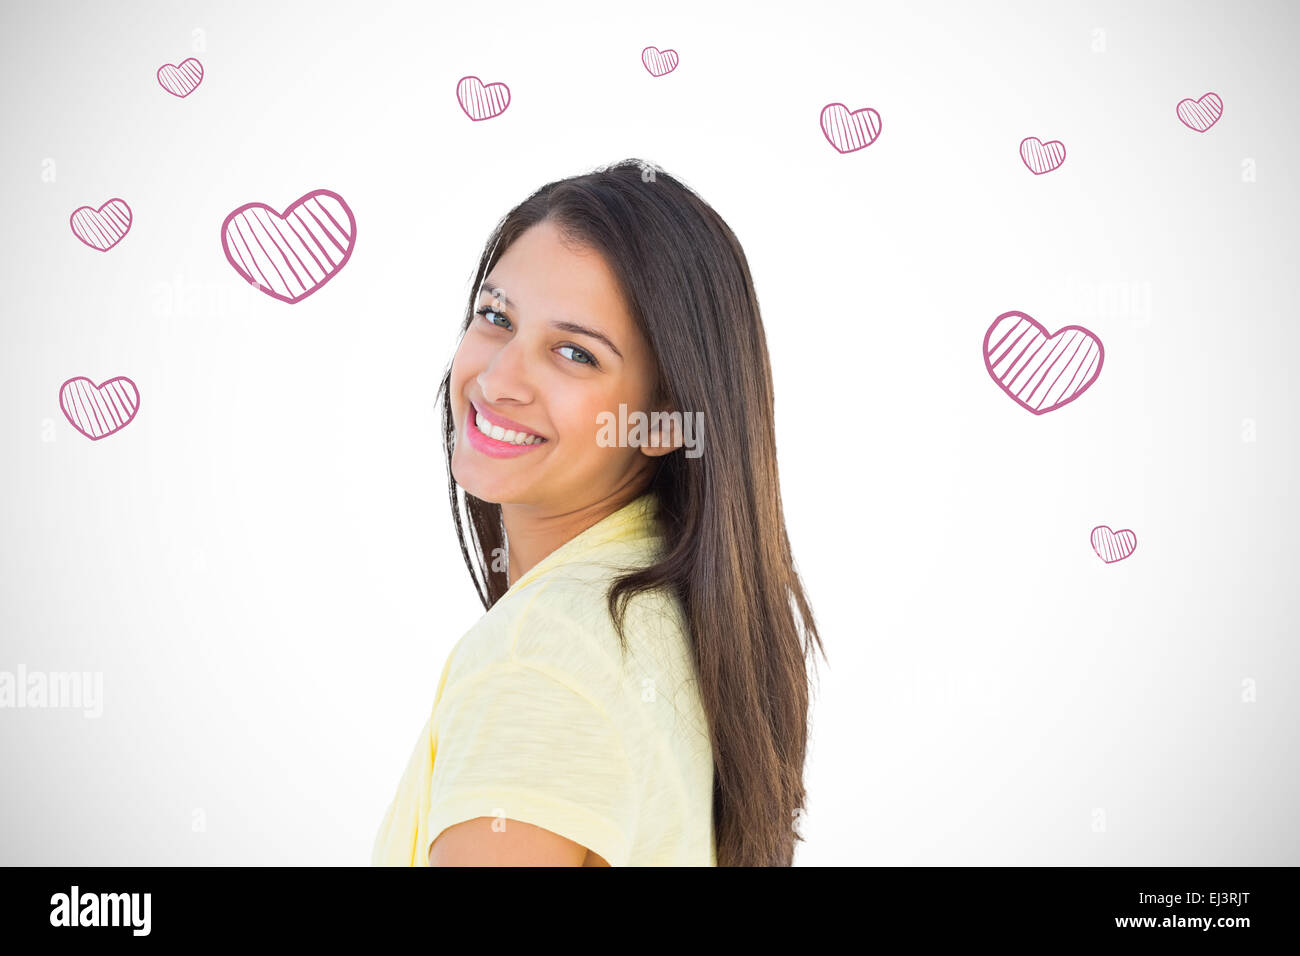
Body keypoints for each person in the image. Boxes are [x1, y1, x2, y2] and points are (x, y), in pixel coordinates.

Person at [370, 158, 824, 866]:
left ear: (667, 420)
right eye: (495, 317)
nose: (496, 380)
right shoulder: (667, 613)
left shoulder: (540, 661)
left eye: (574, 354)